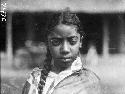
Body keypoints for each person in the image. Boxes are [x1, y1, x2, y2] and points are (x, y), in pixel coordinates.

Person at [22, 8, 101, 94]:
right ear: (47, 42)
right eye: (56, 42)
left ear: (80, 41)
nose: (65, 49)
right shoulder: (35, 80)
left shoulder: (89, 81)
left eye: (72, 41)